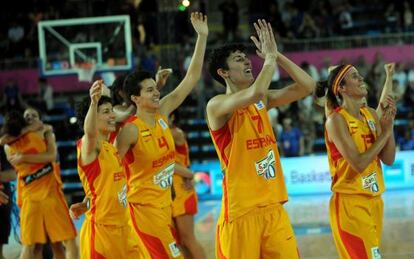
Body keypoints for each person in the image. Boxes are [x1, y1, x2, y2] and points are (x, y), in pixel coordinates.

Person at [206, 19, 315, 258]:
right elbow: (256, 91)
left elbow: (307, 86)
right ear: (223, 72)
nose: (247, 61)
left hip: (273, 207)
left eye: (246, 58)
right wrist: (270, 59)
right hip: (240, 212)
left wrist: (278, 55)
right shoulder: (217, 106)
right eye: (238, 59)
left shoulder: (261, 101)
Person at [115, 12, 208, 258]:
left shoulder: (163, 114)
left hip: (164, 206)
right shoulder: (130, 130)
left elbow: (192, 78)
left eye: (155, 88)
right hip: (144, 211)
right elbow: (110, 167)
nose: (156, 92)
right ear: (135, 98)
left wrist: (202, 37)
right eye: (149, 90)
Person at [315, 64, 396, 259]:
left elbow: (389, 159)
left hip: (375, 201)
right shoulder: (336, 121)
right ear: (341, 88)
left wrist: (389, 126)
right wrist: (384, 134)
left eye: (360, 75)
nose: (361, 79)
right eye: (354, 76)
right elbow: (359, 164)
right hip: (350, 205)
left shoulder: (369, 114)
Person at [75, 80, 150, 258]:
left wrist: (86, 202)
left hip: (124, 229)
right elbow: (90, 132)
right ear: (92, 116)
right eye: (106, 112)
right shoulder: (88, 146)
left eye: (112, 111)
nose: (112, 116)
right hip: (102, 234)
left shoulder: (110, 147)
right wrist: (93, 102)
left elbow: (102, 186)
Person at [2, 110, 78, 259]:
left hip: (47, 194)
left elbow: (51, 155)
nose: (30, 118)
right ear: (23, 123)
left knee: (52, 245)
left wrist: (23, 157)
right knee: (37, 246)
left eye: (34, 116)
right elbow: (49, 156)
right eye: (27, 117)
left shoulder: (12, 144)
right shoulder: (39, 134)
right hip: (35, 198)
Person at [169, 113, 206, 259]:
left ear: (172, 117)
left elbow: (164, 161)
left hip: (182, 190)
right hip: (171, 190)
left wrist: (188, 174)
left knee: (188, 238)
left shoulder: (174, 133)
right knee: (179, 242)